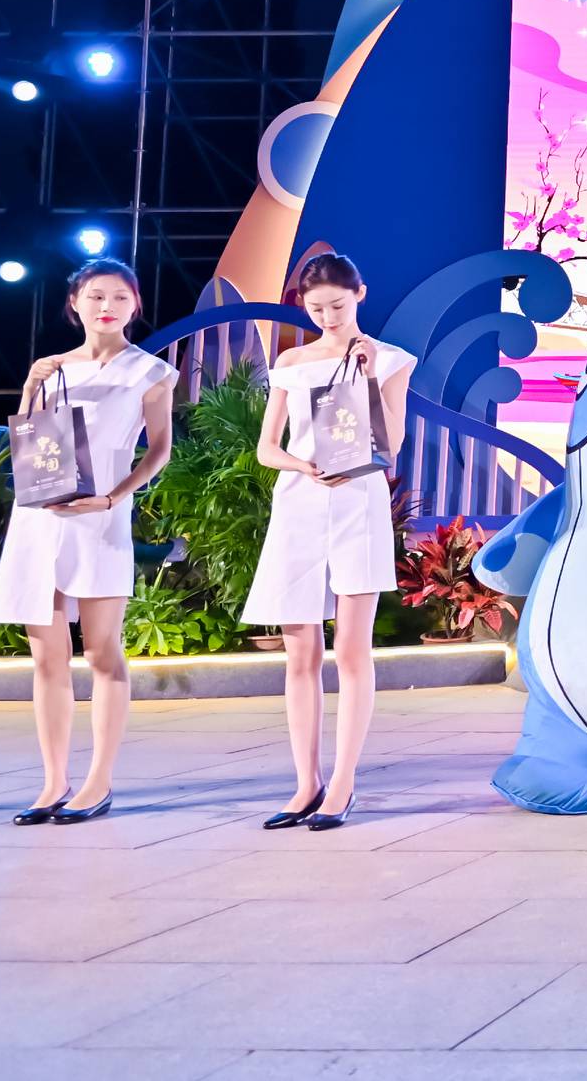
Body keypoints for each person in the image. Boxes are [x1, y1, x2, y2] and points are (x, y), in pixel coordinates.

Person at [0, 258, 177, 825]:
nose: (106, 306)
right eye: (95, 296)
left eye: (119, 296)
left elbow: (159, 449)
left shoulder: (150, 372)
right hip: (42, 517)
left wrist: (115, 498)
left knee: (101, 652)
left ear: (135, 304)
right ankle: (53, 782)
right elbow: (29, 440)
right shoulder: (52, 368)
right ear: (75, 304)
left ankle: (98, 781)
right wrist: (30, 387)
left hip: (100, 516)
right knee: (47, 656)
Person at [244, 252, 415, 831]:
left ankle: (342, 782)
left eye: (337, 306)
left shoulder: (389, 359)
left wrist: (368, 373)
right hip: (300, 502)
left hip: (358, 502)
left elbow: (392, 440)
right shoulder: (291, 362)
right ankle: (305, 784)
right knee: (300, 652)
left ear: (359, 295)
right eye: (317, 309)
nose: (328, 317)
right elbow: (267, 448)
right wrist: (302, 465)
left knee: (351, 648)